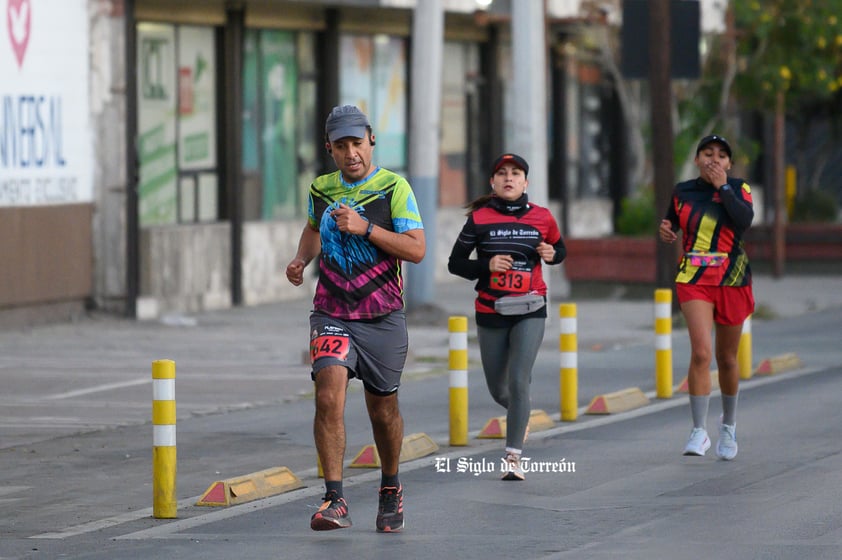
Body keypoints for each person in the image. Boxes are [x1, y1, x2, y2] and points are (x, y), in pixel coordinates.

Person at [285, 105, 425, 532]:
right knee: (328, 394)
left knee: (383, 410)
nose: (351, 154)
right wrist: (300, 258)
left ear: (371, 142)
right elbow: (313, 227)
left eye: (357, 144)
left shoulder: (393, 188)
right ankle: (334, 499)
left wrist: (366, 228)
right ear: (330, 149)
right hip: (331, 310)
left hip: (382, 315)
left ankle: (390, 485)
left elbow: (416, 249)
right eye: (341, 146)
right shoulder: (322, 189)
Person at [447, 153, 566, 481]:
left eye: (515, 173)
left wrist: (552, 254)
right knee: (499, 390)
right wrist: (486, 265)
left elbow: (559, 249)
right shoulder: (479, 219)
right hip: (491, 310)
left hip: (531, 308)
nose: (509, 178)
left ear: (525, 182)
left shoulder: (542, 217)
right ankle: (520, 415)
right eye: (502, 173)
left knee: (518, 379)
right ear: (493, 182)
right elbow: (455, 263)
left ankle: (513, 457)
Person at [659, 134, 754, 461]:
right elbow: (671, 220)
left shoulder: (739, 188)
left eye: (721, 156)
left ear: (729, 163)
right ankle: (698, 431)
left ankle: (728, 426)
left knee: (727, 358)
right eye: (707, 153)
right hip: (694, 277)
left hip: (732, 277)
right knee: (701, 353)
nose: (714, 159)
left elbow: (744, 221)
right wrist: (666, 228)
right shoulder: (682, 191)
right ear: (697, 159)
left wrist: (723, 187)